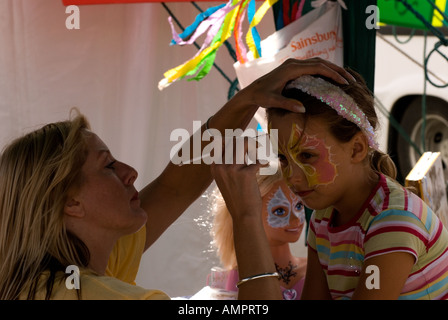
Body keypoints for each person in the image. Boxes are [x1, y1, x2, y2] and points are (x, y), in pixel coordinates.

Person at [0, 58, 354, 300]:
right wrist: (246, 216)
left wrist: (248, 98)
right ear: (70, 203)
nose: (130, 172)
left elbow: (174, 186)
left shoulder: (59, 275)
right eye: (108, 166)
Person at [265, 68, 448, 300]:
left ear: (357, 148)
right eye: (282, 159)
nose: (293, 177)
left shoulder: (394, 221)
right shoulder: (322, 217)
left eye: (306, 156)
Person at [209, 166, 307, 300]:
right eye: (279, 211)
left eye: (299, 206)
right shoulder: (240, 278)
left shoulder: (314, 268)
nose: (296, 218)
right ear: (251, 211)